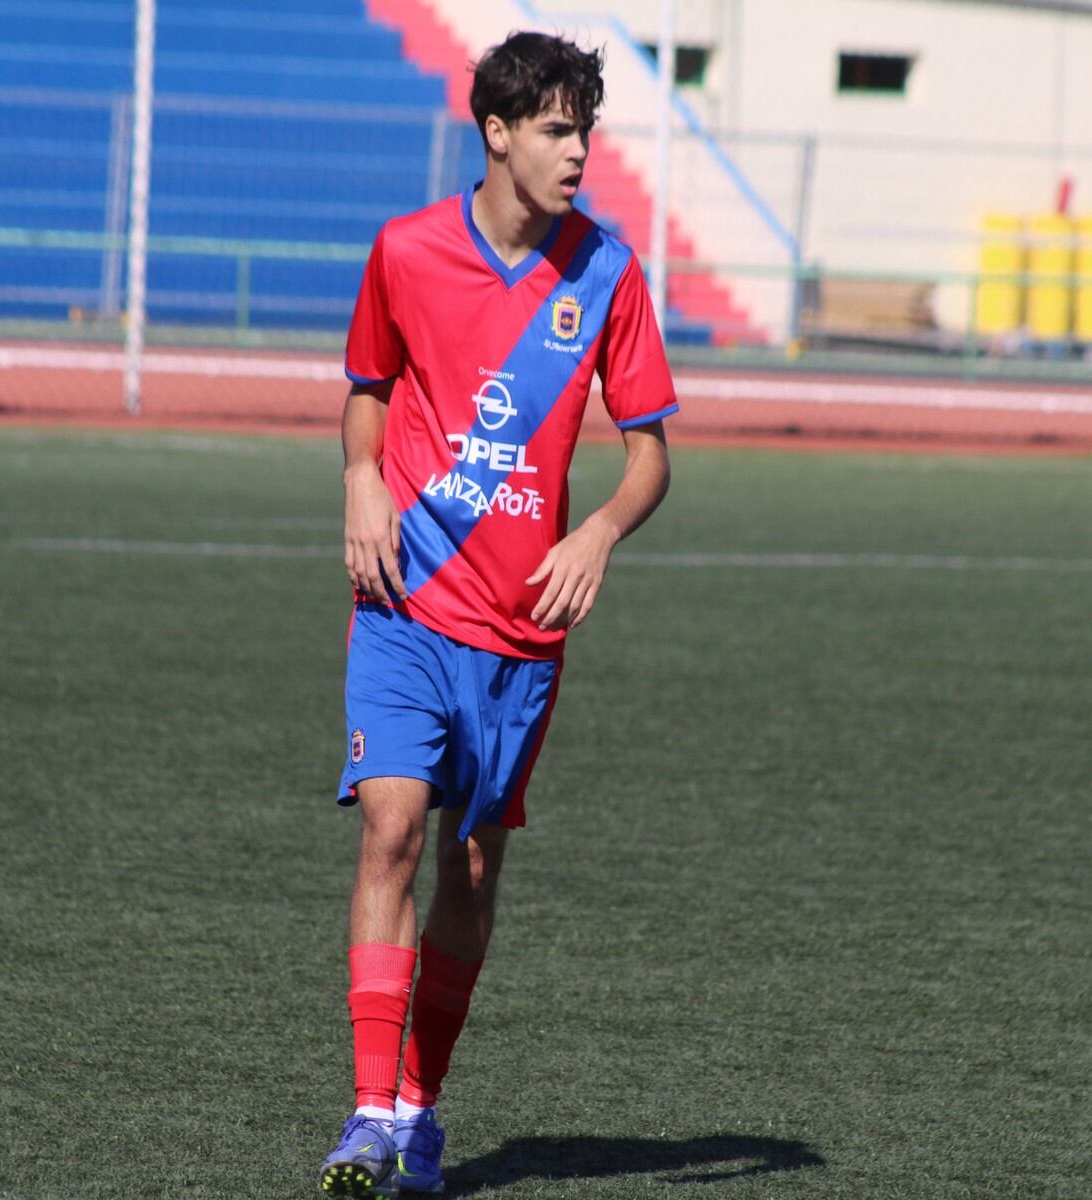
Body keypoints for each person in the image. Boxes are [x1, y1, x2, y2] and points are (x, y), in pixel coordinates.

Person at [320, 30, 676, 1198]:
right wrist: (361, 481)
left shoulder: (607, 272)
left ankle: (420, 1112)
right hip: (405, 600)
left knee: (470, 869)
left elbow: (651, 457)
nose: (580, 153)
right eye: (558, 130)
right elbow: (366, 396)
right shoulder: (406, 252)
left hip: (522, 635)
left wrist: (598, 531)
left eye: (586, 130)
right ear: (497, 133)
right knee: (392, 831)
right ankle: (369, 1114)